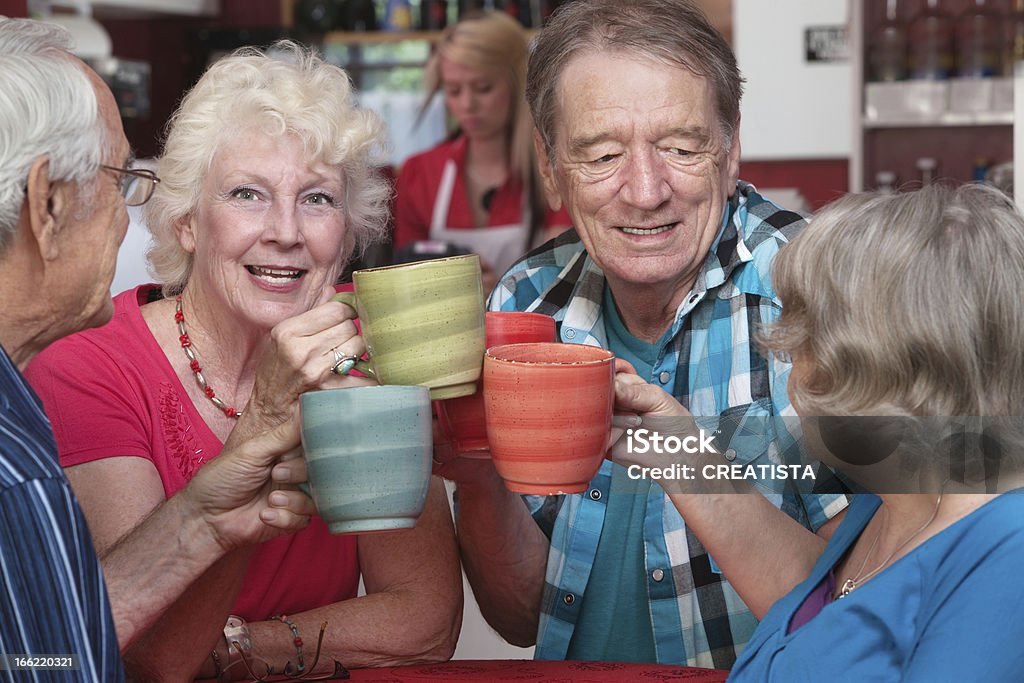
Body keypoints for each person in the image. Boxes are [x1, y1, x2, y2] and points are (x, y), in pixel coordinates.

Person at [25, 41, 462, 680]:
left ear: (348, 230)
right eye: (247, 194)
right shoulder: (92, 365)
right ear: (186, 222)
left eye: (317, 199)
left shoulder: (376, 341)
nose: (285, 230)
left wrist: (239, 649)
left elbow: (423, 620)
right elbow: (134, 652)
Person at [436, 0, 849, 670]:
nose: (647, 189)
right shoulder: (529, 301)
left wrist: (688, 462)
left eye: (682, 148)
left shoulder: (821, 293)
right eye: (601, 155)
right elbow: (518, 616)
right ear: (549, 164)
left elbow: (864, 611)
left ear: (732, 146)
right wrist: (479, 480)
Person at [0, 18, 315, 682]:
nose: (127, 216)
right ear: (46, 203)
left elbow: (46, 641)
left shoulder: (14, 401)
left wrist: (208, 514)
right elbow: (47, 665)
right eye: (119, 182)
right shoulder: (15, 467)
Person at [618, 183, 1024, 680]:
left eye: (804, 338)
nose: (790, 362)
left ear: (880, 363)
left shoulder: (1008, 551)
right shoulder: (896, 497)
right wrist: (673, 450)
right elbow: (817, 622)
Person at [393, 10, 571, 290]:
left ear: (517, 84)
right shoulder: (420, 173)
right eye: (453, 91)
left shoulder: (553, 171)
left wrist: (504, 288)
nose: (467, 104)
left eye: (483, 88)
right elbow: (403, 278)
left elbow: (566, 272)